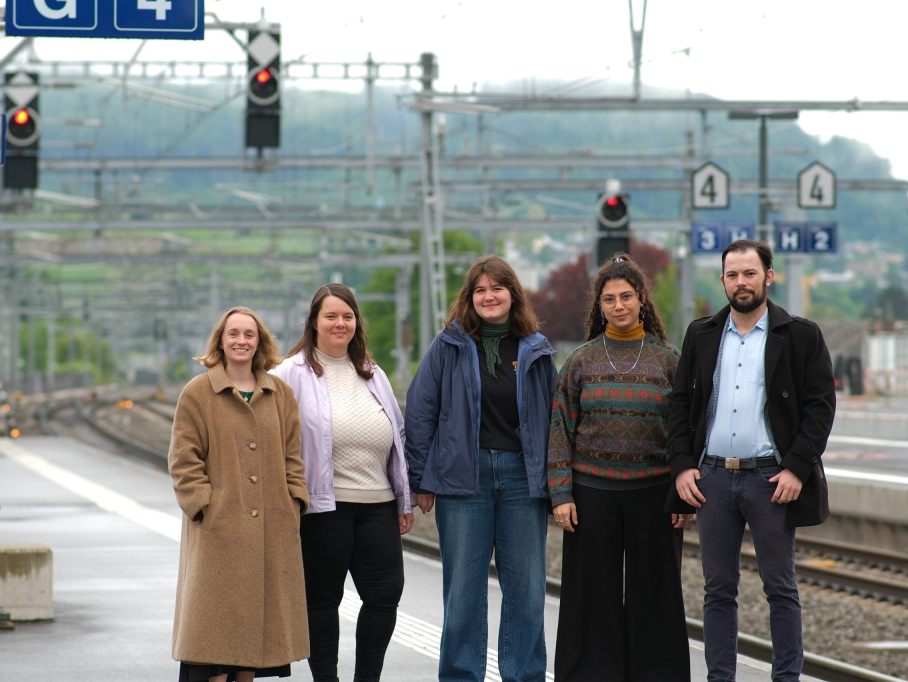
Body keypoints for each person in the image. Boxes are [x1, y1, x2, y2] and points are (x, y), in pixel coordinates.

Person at [666, 239, 836, 682]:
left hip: (771, 479)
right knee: (717, 590)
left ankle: (787, 678)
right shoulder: (701, 334)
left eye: (750, 273)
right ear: (722, 280)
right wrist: (684, 465)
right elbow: (680, 403)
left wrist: (797, 468)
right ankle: (720, 677)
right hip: (713, 479)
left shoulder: (800, 335)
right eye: (732, 275)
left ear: (768, 276)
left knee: (780, 588)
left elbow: (821, 406)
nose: (741, 283)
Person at [405, 255, 558, 682]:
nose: (489, 297)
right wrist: (419, 479)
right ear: (469, 299)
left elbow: (557, 419)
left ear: (513, 294)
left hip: (520, 480)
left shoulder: (537, 349)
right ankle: (460, 676)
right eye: (480, 290)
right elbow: (419, 413)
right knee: (464, 594)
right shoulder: (448, 346)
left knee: (527, 592)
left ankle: (524, 675)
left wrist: (557, 485)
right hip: (461, 482)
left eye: (497, 288)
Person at [547, 253, 690, 682]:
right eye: (609, 299)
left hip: (656, 494)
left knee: (657, 596)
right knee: (591, 596)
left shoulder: (670, 360)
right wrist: (561, 494)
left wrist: (684, 494)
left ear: (642, 299)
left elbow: (686, 432)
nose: (619, 306)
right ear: (600, 305)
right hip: (592, 494)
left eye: (626, 297)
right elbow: (559, 428)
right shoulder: (581, 361)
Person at [272, 283, 414, 682]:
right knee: (322, 602)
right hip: (323, 508)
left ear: (356, 323)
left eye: (347, 316)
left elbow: (397, 438)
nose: (340, 323)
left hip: (378, 506)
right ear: (314, 322)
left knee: (385, 597)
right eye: (331, 316)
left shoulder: (373, 373)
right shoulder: (290, 373)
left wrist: (403, 499)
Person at [169, 306, 309, 682]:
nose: (241, 341)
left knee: (253, 651)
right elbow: (184, 460)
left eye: (249, 335)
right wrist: (204, 506)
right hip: (217, 533)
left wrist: (294, 502)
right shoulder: (198, 392)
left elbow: (293, 455)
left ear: (260, 342)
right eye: (234, 334)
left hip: (271, 532)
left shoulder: (279, 393)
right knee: (213, 647)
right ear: (221, 340)